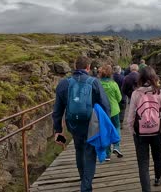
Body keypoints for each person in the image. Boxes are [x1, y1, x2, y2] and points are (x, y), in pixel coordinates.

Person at [52, 56, 111, 192]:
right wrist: (105, 125)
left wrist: (58, 130)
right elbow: (105, 105)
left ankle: (82, 177)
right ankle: (86, 186)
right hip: (91, 123)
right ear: (88, 67)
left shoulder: (63, 84)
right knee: (90, 152)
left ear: (75, 66)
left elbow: (57, 110)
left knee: (79, 149)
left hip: (73, 124)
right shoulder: (94, 82)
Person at [128, 66, 161, 191]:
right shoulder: (160, 92)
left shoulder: (136, 93)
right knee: (157, 156)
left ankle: (146, 189)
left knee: (143, 163)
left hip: (140, 132)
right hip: (156, 131)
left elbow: (131, 116)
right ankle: (158, 178)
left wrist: (132, 131)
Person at [98, 65, 123, 160]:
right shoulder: (114, 84)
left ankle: (107, 153)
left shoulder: (98, 84)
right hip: (114, 110)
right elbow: (119, 98)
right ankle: (116, 146)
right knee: (116, 127)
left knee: (105, 130)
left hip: (102, 111)